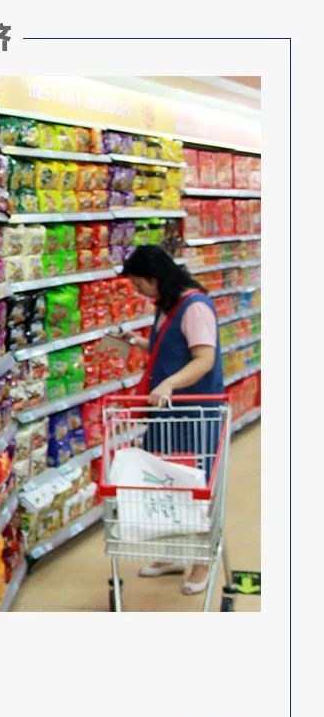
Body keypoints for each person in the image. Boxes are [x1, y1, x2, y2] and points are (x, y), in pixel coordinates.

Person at [118, 245, 225, 595]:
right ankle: (173, 552)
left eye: (139, 284)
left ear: (155, 278)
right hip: (167, 414)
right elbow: (170, 348)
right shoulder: (167, 306)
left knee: (196, 485)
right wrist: (138, 342)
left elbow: (203, 359)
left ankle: (201, 561)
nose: (138, 291)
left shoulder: (195, 307)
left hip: (194, 413)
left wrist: (169, 384)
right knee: (166, 483)